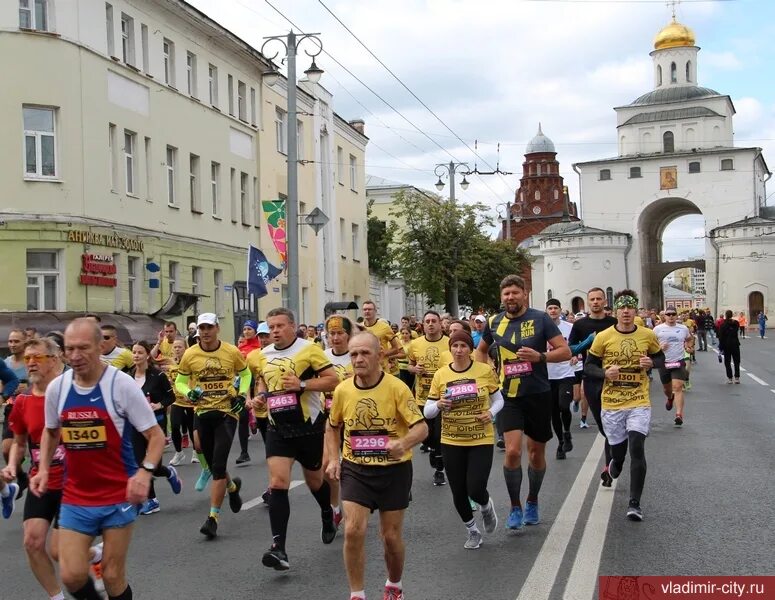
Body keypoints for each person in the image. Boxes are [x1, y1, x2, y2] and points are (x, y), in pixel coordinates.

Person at [30, 318, 165, 600]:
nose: (76, 356)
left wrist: (144, 473)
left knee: (113, 575)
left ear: (100, 347)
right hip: (77, 495)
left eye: (84, 348)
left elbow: (155, 436)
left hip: (118, 493)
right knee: (71, 575)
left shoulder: (121, 385)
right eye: (70, 349)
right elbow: (50, 432)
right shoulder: (58, 388)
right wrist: (42, 469)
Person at [326, 332, 427, 600]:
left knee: (390, 537)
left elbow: (421, 427)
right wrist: (334, 458)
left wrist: (403, 443)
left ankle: (394, 585)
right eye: (353, 354)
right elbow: (332, 426)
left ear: (379, 355)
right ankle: (357, 594)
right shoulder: (342, 390)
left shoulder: (396, 388)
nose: (358, 359)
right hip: (356, 469)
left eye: (364, 353)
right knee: (352, 529)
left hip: (394, 471)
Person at [474, 275, 571, 530]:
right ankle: (515, 506)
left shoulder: (541, 319)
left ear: (524, 294)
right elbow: (481, 351)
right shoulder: (494, 322)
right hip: (508, 396)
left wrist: (540, 356)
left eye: (515, 293)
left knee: (536, 453)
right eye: (506, 294)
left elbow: (565, 351)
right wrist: (486, 374)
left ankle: (532, 501)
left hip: (538, 393)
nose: (510, 298)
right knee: (514, 451)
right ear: (501, 297)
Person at [250, 307, 339, 570]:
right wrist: (260, 397)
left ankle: (327, 511)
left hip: (308, 426)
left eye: (279, 326)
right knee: (278, 482)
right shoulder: (262, 355)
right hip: (278, 427)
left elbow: (333, 381)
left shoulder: (310, 349)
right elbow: (263, 382)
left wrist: (302, 385)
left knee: (314, 481)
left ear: (292, 326)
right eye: (270, 327)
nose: (274, 331)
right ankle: (279, 548)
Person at [585, 290, 664, 521]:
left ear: (636, 310)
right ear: (616, 311)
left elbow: (660, 359)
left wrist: (652, 362)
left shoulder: (647, 335)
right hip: (612, 403)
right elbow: (588, 367)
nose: (626, 312)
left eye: (630, 308)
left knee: (637, 447)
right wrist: (603, 372)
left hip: (639, 400)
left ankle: (634, 503)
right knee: (618, 454)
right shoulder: (603, 337)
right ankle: (614, 465)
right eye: (622, 308)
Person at [174, 313, 251, 539]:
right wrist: (189, 392)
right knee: (213, 460)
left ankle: (212, 519)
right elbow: (179, 381)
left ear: (217, 328)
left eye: (209, 327)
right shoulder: (190, 354)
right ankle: (232, 489)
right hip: (202, 412)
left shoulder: (231, 352)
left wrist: (242, 394)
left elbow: (246, 374)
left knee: (218, 464)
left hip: (227, 412)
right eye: (201, 328)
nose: (205, 332)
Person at [424, 330, 502, 549]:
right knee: (458, 491)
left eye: (463, 346)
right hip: (451, 440)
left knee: (475, 488)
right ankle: (472, 531)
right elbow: (427, 411)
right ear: (450, 349)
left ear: (471, 349)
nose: (459, 350)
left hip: (480, 437)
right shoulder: (441, 375)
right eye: (455, 346)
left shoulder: (484, 370)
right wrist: (438, 405)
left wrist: (491, 413)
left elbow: (499, 400)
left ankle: (486, 507)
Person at [2, 337, 66, 599]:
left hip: (72, 483)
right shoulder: (22, 402)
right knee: (32, 542)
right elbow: (19, 442)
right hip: (42, 481)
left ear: (53, 360)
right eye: (27, 358)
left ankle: (92, 555)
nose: (30, 363)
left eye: (36, 357)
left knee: (60, 552)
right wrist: (13, 466)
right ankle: (56, 596)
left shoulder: (70, 395)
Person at [568, 287, 618, 486]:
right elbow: (570, 348)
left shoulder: (613, 323)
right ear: (588, 303)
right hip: (591, 377)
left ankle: (608, 465)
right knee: (603, 426)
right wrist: (586, 343)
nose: (596, 302)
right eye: (592, 299)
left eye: (599, 299)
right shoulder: (581, 324)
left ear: (605, 301)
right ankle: (613, 456)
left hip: (612, 377)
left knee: (611, 424)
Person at [128, 341, 181, 514]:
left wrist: (158, 405)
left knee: (154, 465)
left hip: (155, 423)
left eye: (139, 352)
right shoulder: (127, 375)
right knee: (141, 462)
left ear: (147, 355)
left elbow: (171, 397)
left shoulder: (157, 376)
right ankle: (152, 500)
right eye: (134, 352)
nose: (136, 355)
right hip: (135, 424)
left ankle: (169, 473)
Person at [406, 311, 450, 486]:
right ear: (423, 325)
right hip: (423, 397)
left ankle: (439, 469)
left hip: (443, 397)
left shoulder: (449, 343)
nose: (430, 324)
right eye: (427, 321)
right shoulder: (415, 344)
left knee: (440, 434)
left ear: (440, 324)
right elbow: (409, 365)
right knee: (426, 434)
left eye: (434, 321)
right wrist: (414, 369)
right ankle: (432, 449)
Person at [321, 314, 355, 527]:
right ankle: (335, 508)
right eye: (331, 333)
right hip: (329, 419)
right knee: (327, 465)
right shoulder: (321, 357)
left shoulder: (358, 355)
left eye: (339, 333)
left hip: (355, 420)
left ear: (348, 335)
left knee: (355, 466)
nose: (335, 337)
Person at [545, 299, 576, 459]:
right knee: (553, 412)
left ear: (560, 310)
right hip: (547, 375)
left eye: (555, 308)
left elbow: (577, 346)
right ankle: (560, 442)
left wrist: (576, 356)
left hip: (566, 373)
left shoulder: (569, 328)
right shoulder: (540, 329)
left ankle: (567, 431)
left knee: (564, 406)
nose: (553, 311)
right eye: (550, 308)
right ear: (546, 310)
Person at [168, 339, 204, 470]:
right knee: (175, 425)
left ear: (185, 348)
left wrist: (190, 392)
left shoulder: (191, 362)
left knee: (191, 428)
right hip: (177, 401)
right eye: (175, 347)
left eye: (180, 347)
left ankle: (195, 451)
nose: (177, 349)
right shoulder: (170, 364)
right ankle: (179, 453)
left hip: (190, 402)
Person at [653, 309, 692, 427]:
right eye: (668, 314)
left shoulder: (683, 328)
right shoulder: (657, 329)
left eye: (673, 314)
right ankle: (670, 398)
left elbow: (689, 338)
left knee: (678, 387)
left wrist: (689, 347)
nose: (671, 316)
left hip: (678, 361)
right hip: (663, 362)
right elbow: (650, 345)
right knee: (667, 389)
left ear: (676, 316)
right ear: (664, 316)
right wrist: (659, 348)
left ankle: (679, 414)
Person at [4, 329, 28, 496]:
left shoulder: (32, 360)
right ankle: (21, 476)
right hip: (12, 409)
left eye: (16, 341)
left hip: (32, 408)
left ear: (25, 342)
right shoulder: (5, 363)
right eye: (10, 341)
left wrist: (28, 387)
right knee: (6, 450)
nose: (12, 344)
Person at [235, 320, 262, 465]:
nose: (246, 332)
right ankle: (244, 452)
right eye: (244, 329)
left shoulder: (260, 347)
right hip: (244, 385)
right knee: (242, 416)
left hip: (259, 384)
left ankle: (273, 448)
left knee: (265, 420)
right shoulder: (240, 347)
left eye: (249, 329)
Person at [361, 300, 402, 373]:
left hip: (381, 368)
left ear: (375, 311)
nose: (367, 311)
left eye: (370, 309)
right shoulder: (359, 327)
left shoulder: (385, 327)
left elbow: (396, 349)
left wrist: (383, 353)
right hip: (365, 368)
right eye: (365, 309)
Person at [718, 310, 742, 384]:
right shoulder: (736, 323)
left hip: (726, 345)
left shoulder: (723, 325)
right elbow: (737, 328)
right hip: (735, 344)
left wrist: (720, 347)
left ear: (725, 315)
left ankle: (730, 378)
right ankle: (737, 378)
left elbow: (721, 337)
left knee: (727, 362)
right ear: (732, 315)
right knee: (736, 361)